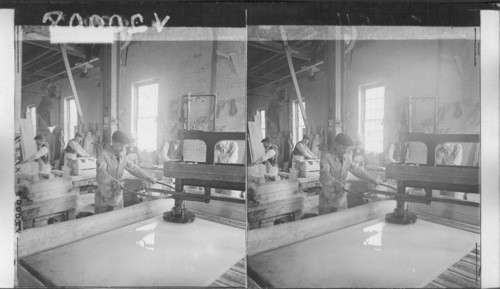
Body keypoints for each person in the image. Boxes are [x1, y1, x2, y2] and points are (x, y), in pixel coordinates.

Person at [95, 131, 156, 214]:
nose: (122, 148)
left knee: (118, 220)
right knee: (103, 222)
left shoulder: (122, 154)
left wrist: (147, 177)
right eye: (120, 145)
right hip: (105, 195)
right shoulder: (103, 155)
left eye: (124, 146)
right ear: (113, 142)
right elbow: (101, 173)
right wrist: (112, 181)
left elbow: (133, 168)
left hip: (117, 195)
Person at [319, 133, 379, 214]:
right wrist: (336, 184)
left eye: (346, 148)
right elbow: (325, 174)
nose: (345, 150)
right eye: (343, 147)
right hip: (329, 194)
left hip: (341, 193)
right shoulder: (326, 156)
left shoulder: (346, 156)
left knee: (342, 218)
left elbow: (356, 170)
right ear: (336, 145)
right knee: (329, 221)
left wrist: (370, 178)